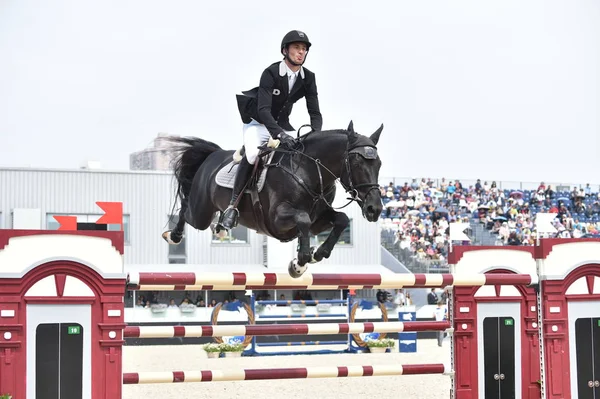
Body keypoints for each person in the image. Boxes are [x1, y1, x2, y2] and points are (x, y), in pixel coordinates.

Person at [216, 30, 323, 231]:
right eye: (297, 48)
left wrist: (316, 134)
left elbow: (314, 111)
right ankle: (232, 206)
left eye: (304, 49)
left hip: (282, 125)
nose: (301, 53)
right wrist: (280, 134)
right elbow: (263, 110)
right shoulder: (271, 73)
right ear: (285, 50)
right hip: (257, 123)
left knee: (300, 152)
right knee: (253, 155)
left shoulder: (308, 77)